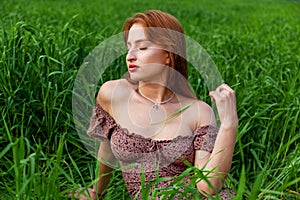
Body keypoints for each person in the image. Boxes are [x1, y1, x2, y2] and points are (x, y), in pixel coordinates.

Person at [72, 10, 238, 200]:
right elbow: (106, 150)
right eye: (129, 47)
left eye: (142, 48)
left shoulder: (198, 111)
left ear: (169, 55)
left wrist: (228, 125)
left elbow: (208, 187)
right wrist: (97, 192)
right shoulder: (113, 94)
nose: (130, 56)